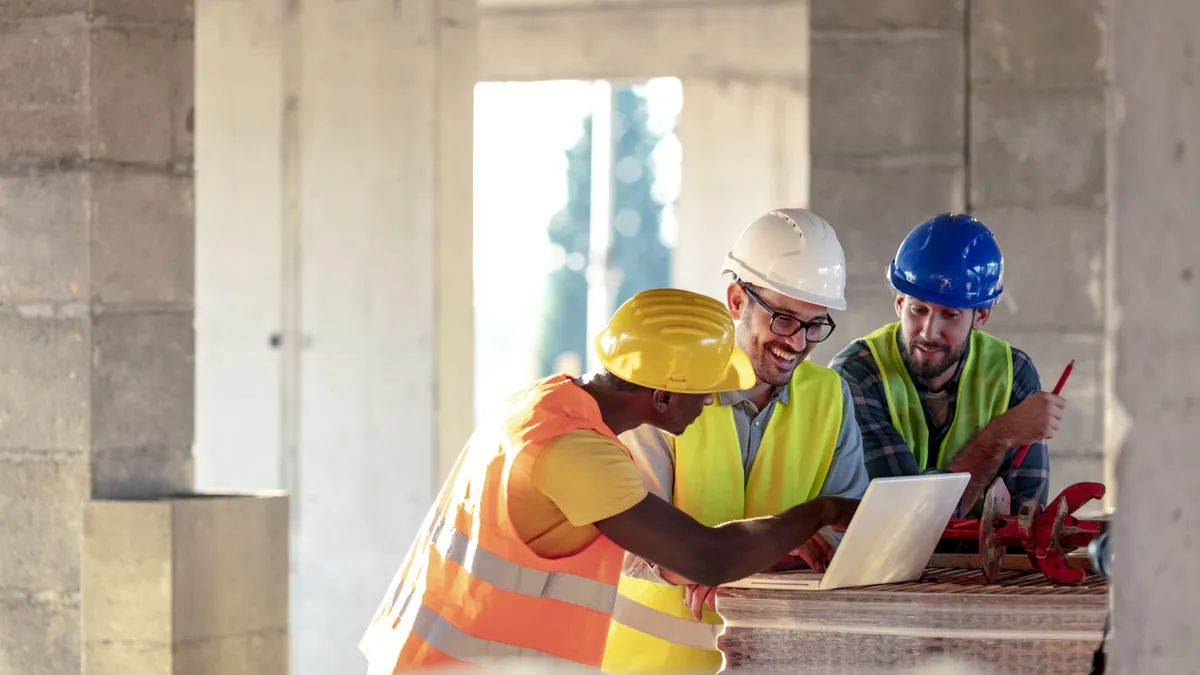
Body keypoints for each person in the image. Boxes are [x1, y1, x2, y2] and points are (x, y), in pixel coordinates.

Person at [358, 287, 860, 674]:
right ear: (663, 396)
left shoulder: (546, 404)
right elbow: (709, 558)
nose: (711, 404)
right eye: (706, 393)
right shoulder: (575, 452)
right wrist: (822, 511)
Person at [601, 209, 871, 675]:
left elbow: (846, 536)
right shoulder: (665, 384)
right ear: (735, 300)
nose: (799, 342)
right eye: (784, 319)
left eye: (815, 325)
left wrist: (747, 563)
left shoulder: (830, 395)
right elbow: (639, 547)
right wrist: (775, 550)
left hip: (777, 659)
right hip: (657, 661)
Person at [829, 212, 1061, 525]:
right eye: (918, 309)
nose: (928, 332)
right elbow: (903, 521)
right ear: (899, 303)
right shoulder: (857, 373)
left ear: (981, 316)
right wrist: (999, 437)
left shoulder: (1013, 374)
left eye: (949, 315)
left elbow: (1024, 525)